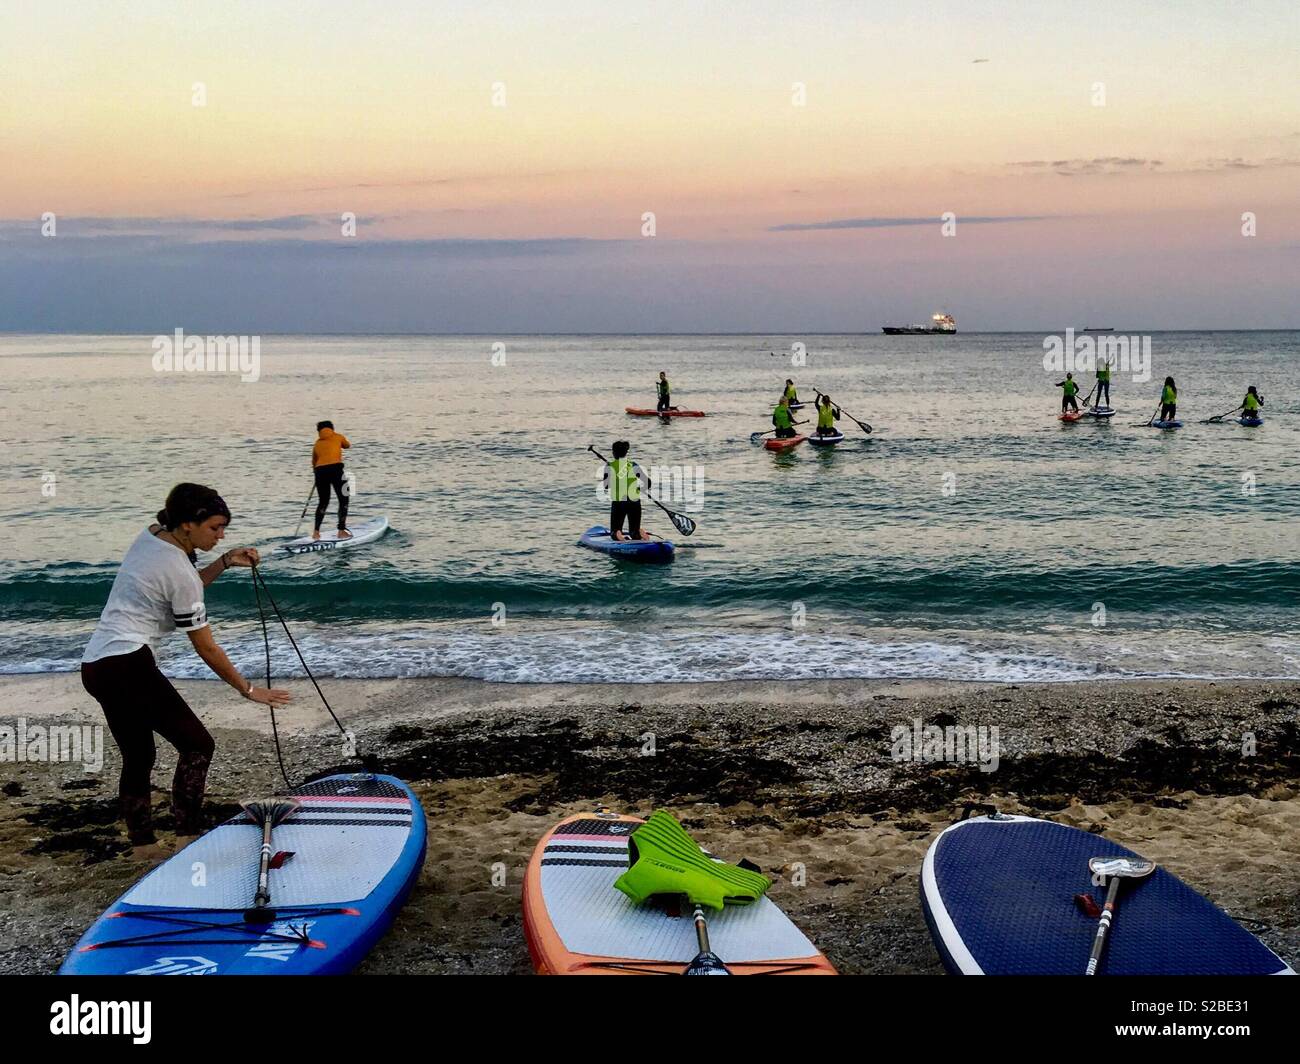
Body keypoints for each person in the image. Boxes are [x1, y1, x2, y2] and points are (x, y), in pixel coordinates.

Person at [80, 484, 291, 852]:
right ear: (188, 524)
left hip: (97, 664)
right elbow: (206, 645)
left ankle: (142, 844)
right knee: (198, 745)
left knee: (139, 755)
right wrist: (249, 690)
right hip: (128, 664)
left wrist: (223, 561)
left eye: (223, 527)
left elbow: (183, 586)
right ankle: (187, 837)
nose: (221, 534)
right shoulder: (179, 568)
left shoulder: (153, 536)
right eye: (215, 527)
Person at [603, 440, 653, 541]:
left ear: (614, 453)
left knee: (614, 532)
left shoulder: (610, 466)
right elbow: (648, 482)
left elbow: (606, 485)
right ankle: (638, 533)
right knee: (634, 532)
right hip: (634, 500)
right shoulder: (633, 465)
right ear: (626, 453)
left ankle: (617, 533)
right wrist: (640, 489)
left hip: (619, 502)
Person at [311, 420, 351, 541]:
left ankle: (316, 533)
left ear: (319, 431)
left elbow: (314, 461)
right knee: (344, 498)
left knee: (323, 502)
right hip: (335, 470)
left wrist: (317, 473)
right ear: (332, 428)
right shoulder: (338, 437)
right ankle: (341, 530)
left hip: (319, 472)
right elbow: (347, 445)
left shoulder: (317, 443)